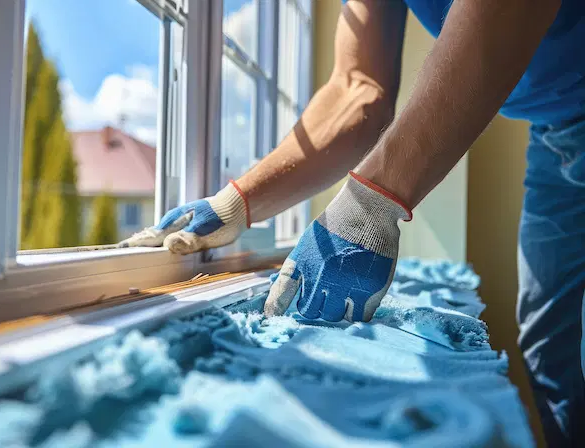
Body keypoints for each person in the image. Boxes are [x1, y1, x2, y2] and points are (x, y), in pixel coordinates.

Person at [120, 0, 584, 444]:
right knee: (553, 351)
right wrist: (235, 205)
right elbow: (357, 90)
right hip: (555, 131)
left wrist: (368, 208)